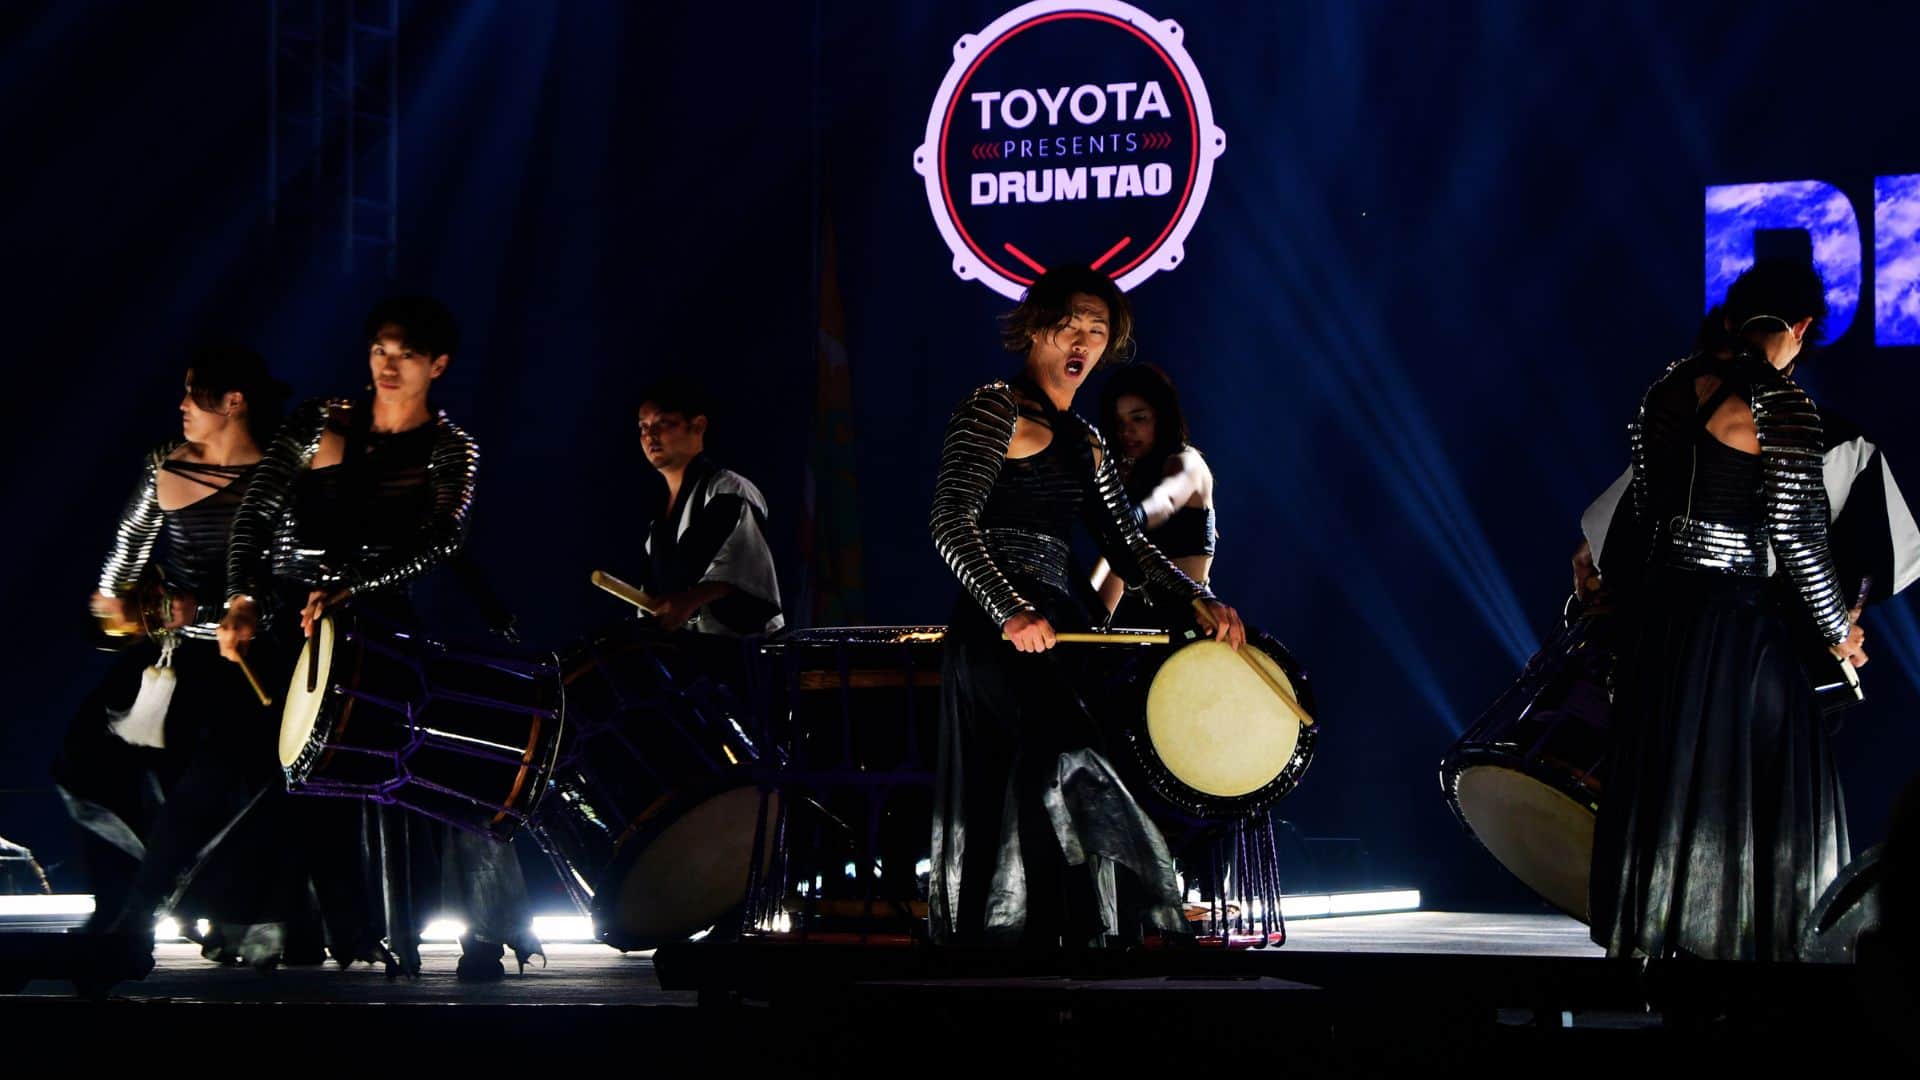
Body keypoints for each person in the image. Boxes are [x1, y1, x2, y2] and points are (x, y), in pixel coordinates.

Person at [218, 295, 539, 979]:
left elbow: (442, 536)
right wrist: (243, 595)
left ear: (437, 365)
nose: (387, 366)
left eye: (405, 355)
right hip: (288, 615)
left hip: (380, 623)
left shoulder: (452, 448)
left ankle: (458, 929)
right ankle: (296, 924)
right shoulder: (320, 420)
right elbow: (257, 508)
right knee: (267, 771)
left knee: (442, 763)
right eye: (379, 351)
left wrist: (353, 586)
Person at [927, 264, 1245, 947]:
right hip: (998, 629)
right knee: (1059, 761)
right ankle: (1015, 945)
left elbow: (1129, 547)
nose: (1083, 340)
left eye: (1097, 331)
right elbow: (951, 520)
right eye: (1070, 325)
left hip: (1059, 628)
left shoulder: (1088, 442)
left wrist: (1197, 601)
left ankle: (1074, 947)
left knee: (1078, 764)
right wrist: (1009, 609)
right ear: (1036, 329)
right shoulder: (993, 408)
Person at [1586, 258, 1868, 962]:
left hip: (1665, 628)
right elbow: (1802, 544)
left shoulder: (1665, 393)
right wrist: (1840, 633)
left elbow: (1645, 516)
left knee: (1673, 782)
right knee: (1771, 791)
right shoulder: (1782, 405)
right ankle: (1760, 957)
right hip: (1740, 631)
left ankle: (1668, 950)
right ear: (1801, 328)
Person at [57, 345, 295, 977]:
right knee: (84, 760)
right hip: (175, 657)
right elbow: (127, 549)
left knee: (207, 789)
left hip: (252, 661)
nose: (182, 405)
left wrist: (213, 613)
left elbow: (280, 580)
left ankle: (136, 924)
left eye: (194, 394)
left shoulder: (278, 475)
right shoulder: (167, 462)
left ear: (234, 401)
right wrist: (117, 602)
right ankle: (126, 909)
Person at [632, 379, 783, 636]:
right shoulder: (658, 518)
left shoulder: (730, 489)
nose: (650, 435)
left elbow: (743, 566)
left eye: (663, 423)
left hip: (740, 652)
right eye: (643, 427)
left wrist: (690, 600)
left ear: (698, 426)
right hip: (686, 654)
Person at [1091, 363, 1216, 627]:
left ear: (1162, 416)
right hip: (1136, 629)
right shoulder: (1128, 480)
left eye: (1139, 418)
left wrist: (1130, 518)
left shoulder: (1188, 462)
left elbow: (1165, 500)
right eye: (1119, 423)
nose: (1126, 431)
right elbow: (1113, 569)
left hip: (1188, 625)